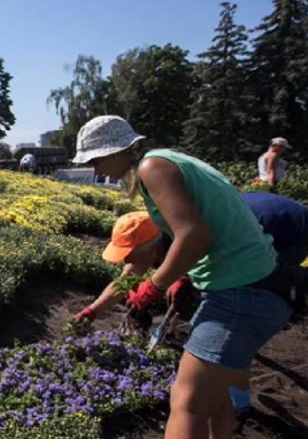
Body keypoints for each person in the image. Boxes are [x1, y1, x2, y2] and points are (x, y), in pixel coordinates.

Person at [71, 115, 291, 439]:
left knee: (185, 405)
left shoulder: (152, 169)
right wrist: (93, 309)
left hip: (239, 291)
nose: (95, 168)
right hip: (254, 286)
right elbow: (137, 269)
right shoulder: (169, 162)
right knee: (214, 400)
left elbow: (193, 236)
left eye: (96, 159)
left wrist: (155, 286)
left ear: (119, 150)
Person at [73, 191, 308, 414]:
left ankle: (238, 395)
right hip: (256, 218)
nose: (128, 261)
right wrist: (91, 311)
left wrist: (179, 279)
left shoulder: (190, 233)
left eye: (131, 255)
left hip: (289, 230)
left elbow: (207, 257)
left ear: (151, 248)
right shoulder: (160, 234)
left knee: (237, 300)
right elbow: (125, 281)